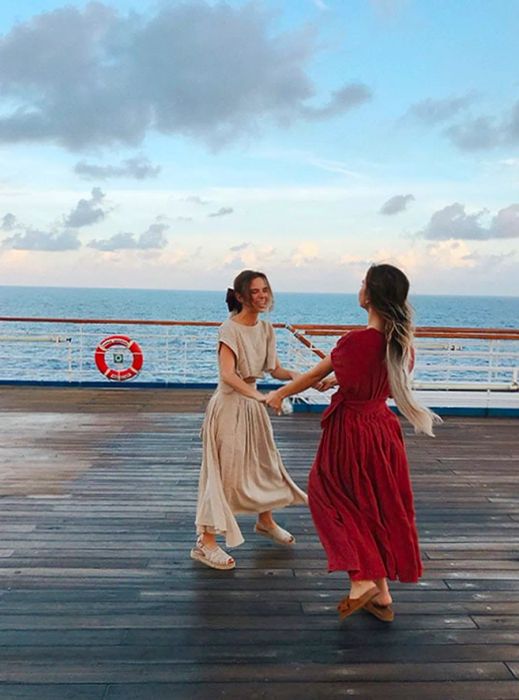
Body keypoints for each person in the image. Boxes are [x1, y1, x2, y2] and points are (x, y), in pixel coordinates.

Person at [266, 264, 440, 622]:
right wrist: (340, 384)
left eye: (363, 283)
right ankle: (383, 595)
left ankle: (361, 579)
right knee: (372, 505)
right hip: (383, 431)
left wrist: (279, 394)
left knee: (328, 495)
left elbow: (316, 373)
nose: (359, 287)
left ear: (370, 297)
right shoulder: (402, 346)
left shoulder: (355, 342)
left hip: (352, 431)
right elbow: (373, 379)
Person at [191, 270, 307, 570]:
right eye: (255, 291)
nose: (263, 295)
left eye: (265, 289)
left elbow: (275, 369)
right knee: (225, 473)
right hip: (230, 406)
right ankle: (206, 542)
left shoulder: (266, 329)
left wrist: (298, 376)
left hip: (254, 404)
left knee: (264, 464)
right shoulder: (229, 329)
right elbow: (228, 374)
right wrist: (259, 397)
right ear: (241, 296)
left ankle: (265, 521)